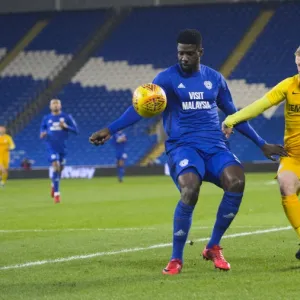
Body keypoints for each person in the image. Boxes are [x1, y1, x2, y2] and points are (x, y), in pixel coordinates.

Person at [89, 29, 286, 274]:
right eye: (180, 53)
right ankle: (176, 258)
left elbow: (234, 116)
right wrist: (110, 129)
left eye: (189, 53)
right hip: (183, 146)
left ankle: (213, 246)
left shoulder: (214, 79)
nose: (184, 58)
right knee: (190, 188)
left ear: (200, 52)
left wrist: (261, 143)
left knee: (236, 181)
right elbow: (139, 108)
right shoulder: (166, 79)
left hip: (215, 146)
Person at [223, 46, 300, 260]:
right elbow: (260, 105)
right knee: (286, 185)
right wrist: (232, 119)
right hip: (293, 156)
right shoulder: (289, 85)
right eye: (299, 64)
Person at [40, 99, 78, 203]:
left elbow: (76, 130)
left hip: (62, 147)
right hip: (51, 146)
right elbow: (42, 130)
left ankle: (53, 184)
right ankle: (57, 194)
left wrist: (66, 126)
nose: (55, 105)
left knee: (60, 169)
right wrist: (43, 133)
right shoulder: (46, 118)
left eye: (57, 104)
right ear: (50, 106)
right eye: (53, 104)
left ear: (60, 106)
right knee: (56, 166)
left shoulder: (66, 117)